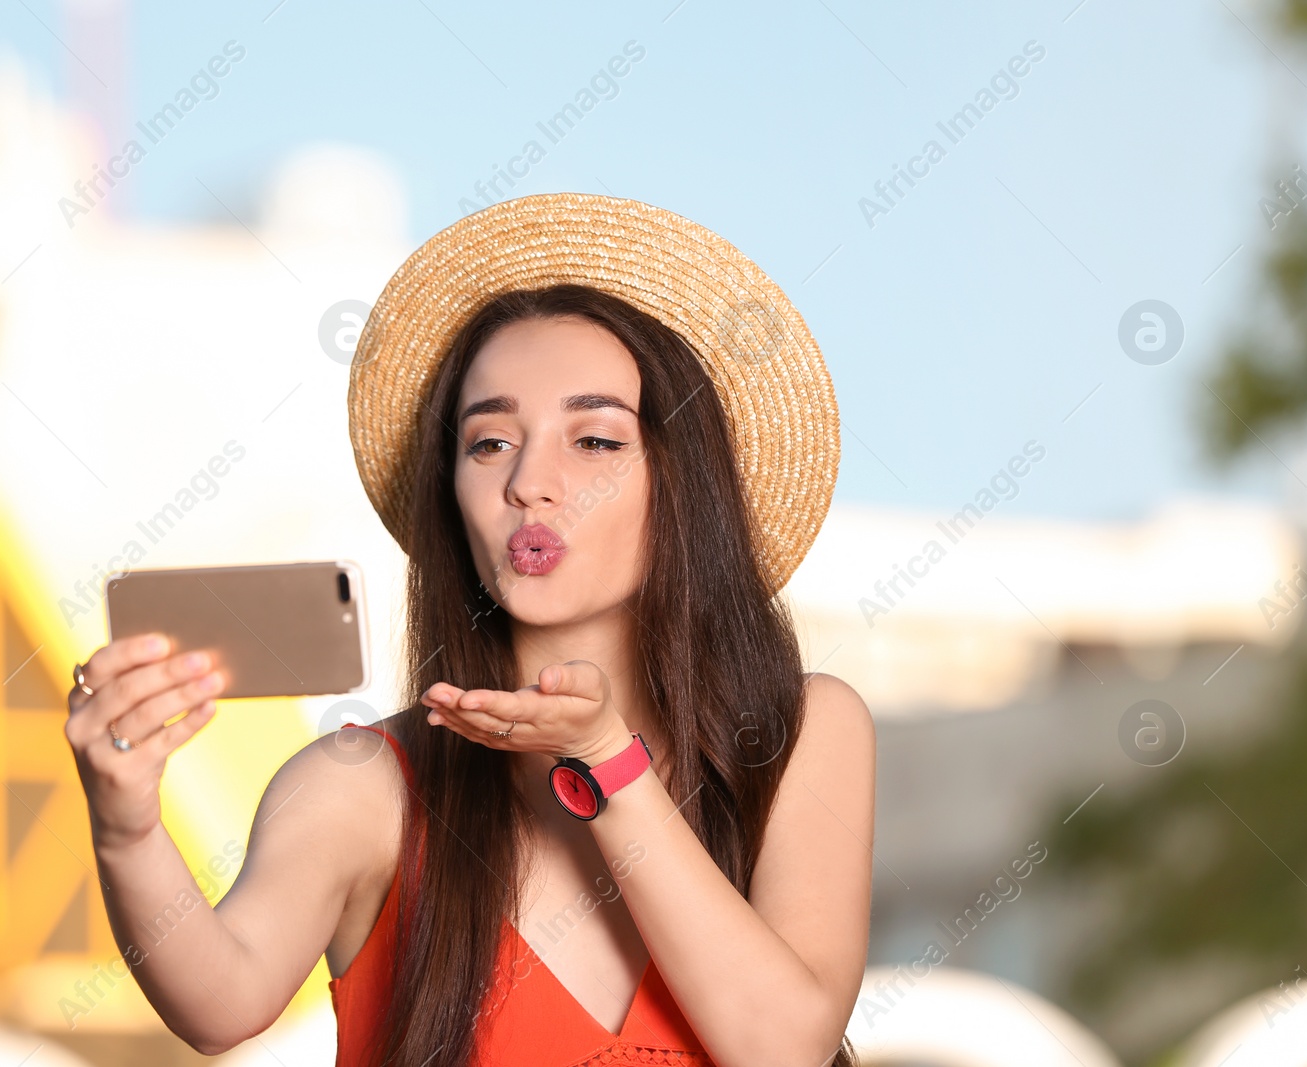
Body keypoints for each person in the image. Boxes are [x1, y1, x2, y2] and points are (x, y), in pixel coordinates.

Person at [64, 192, 875, 1067]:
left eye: (594, 440)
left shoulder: (801, 732)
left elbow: (784, 1047)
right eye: (490, 443)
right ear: (452, 492)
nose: (530, 481)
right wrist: (127, 829)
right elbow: (219, 1002)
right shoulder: (361, 786)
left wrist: (607, 759)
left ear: (682, 485)